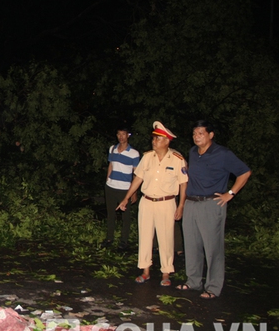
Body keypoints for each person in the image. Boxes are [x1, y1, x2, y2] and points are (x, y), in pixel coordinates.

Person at [177, 120, 251, 299]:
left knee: (213, 248)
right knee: (191, 245)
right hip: (191, 203)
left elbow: (245, 172)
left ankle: (213, 287)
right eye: (194, 133)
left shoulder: (223, 153)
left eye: (201, 133)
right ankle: (193, 281)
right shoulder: (193, 152)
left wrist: (230, 193)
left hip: (211, 204)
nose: (196, 136)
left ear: (211, 135)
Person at [117, 121, 187, 286]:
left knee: (166, 238)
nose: (154, 141)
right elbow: (138, 178)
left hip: (166, 203)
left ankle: (166, 273)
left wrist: (181, 205)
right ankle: (145, 270)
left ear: (167, 141)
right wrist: (127, 197)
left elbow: (183, 183)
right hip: (147, 201)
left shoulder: (177, 159)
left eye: (158, 139)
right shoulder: (147, 157)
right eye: (153, 138)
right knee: (145, 237)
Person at [104, 127, 140, 250]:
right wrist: (108, 180)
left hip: (125, 189)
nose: (121, 137)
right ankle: (109, 238)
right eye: (119, 134)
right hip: (111, 186)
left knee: (125, 216)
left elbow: (136, 173)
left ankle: (124, 241)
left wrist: (134, 192)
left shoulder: (134, 153)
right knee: (110, 214)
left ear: (127, 135)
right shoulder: (112, 149)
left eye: (123, 134)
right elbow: (111, 165)